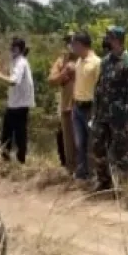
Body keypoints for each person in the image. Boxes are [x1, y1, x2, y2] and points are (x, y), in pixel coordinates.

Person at [91, 25, 128, 192]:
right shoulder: (105, 61)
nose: (107, 40)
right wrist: (95, 112)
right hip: (103, 114)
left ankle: (122, 186)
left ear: (117, 40)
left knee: (122, 151)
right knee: (98, 147)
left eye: (110, 37)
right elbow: (99, 87)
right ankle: (103, 181)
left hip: (121, 116)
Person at [0, 37, 35, 164]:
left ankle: (20, 159)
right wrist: (0, 74)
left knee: (19, 133)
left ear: (20, 50)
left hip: (20, 104)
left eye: (14, 48)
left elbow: (13, 81)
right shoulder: (15, 61)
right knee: (8, 132)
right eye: (11, 47)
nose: (11, 50)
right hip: (14, 103)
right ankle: (6, 158)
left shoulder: (21, 62)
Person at [70, 32, 101, 180]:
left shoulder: (96, 63)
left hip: (90, 107)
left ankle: (95, 174)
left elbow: (100, 88)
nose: (72, 47)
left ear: (81, 44)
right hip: (77, 106)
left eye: (74, 44)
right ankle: (82, 173)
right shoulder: (79, 62)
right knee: (79, 143)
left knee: (92, 143)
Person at [48, 35, 78, 173]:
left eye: (72, 42)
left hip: (83, 107)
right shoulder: (61, 61)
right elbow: (52, 81)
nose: (70, 45)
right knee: (68, 144)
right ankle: (70, 171)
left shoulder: (84, 60)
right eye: (68, 42)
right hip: (67, 107)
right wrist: (64, 72)